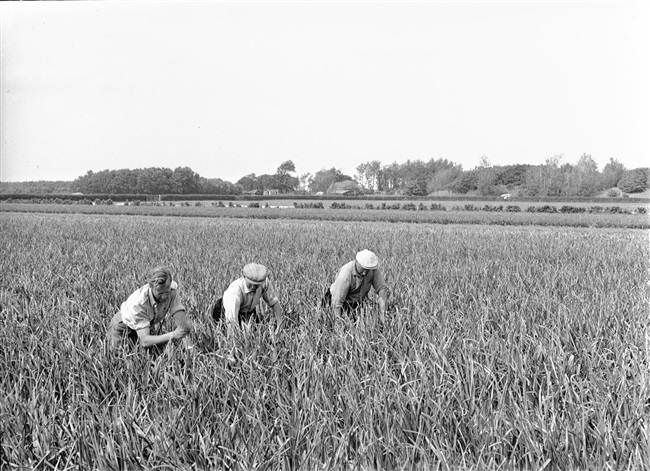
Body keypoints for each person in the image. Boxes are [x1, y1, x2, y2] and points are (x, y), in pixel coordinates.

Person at [106, 266, 192, 350]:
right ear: (151, 287)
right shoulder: (138, 303)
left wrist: (189, 348)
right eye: (160, 293)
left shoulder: (172, 290)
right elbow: (144, 341)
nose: (165, 296)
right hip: (123, 329)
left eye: (167, 291)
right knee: (120, 361)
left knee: (144, 357)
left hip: (144, 326)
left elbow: (181, 322)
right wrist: (173, 335)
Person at [212, 263, 282, 335]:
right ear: (244, 277)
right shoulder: (234, 292)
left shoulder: (264, 282)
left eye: (256, 285)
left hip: (248, 310)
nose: (253, 287)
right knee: (228, 335)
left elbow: (274, 302)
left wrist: (279, 325)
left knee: (257, 334)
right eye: (250, 284)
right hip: (225, 311)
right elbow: (231, 321)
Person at [323, 249, 389, 318]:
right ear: (356, 262)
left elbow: (382, 289)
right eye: (363, 269)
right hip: (336, 301)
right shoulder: (345, 275)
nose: (364, 273)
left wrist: (382, 314)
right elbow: (337, 303)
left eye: (367, 270)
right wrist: (338, 323)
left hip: (356, 302)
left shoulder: (372, 270)